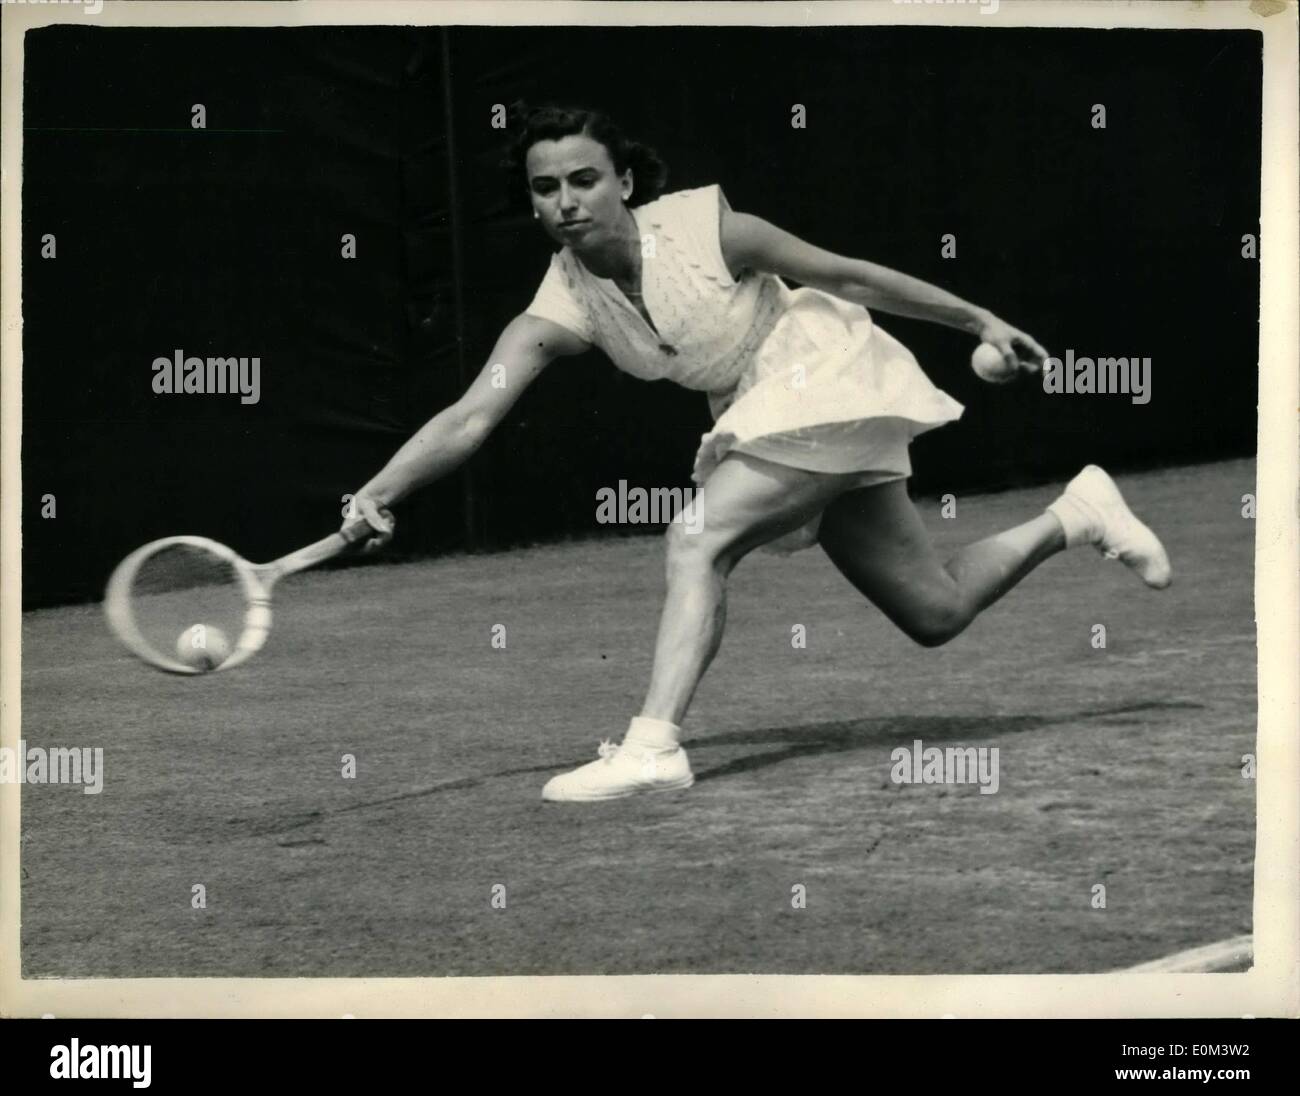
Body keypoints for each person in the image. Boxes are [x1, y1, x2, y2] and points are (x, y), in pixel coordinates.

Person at [342, 104, 1171, 803]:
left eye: (584, 179)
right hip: (766, 409)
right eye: (546, 187)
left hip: (823, 371)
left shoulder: (709, 230)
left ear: (624, 182)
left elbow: (847, 276)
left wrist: (977, 319)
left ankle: (655, 745)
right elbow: (472, 414)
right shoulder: (562, 304)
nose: (567, 200)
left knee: (697, 536)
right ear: (531, 202)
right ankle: (1077, 512)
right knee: (935, 611)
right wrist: (379, 489)